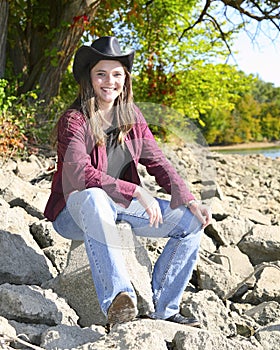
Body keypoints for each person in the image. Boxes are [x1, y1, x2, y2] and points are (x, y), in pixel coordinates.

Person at [44, 36, 211, 327]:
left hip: (119, 207)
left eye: (117, 74)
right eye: (101, 74)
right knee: (95, 197)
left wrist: (190, 200)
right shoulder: (73, 120)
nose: (110, 81)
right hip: (74, 212)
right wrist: (135, 190)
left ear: (126, 79)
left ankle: (164, 308)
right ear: (90, 79)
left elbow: (158, 161)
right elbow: (79, 174)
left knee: (191, 224)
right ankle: (119, 300)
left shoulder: (132, 117)